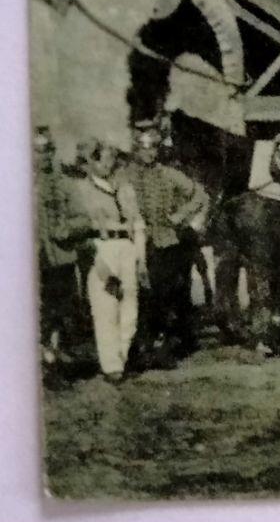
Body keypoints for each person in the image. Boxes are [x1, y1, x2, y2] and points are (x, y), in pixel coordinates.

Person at [126, 119, 206, 364]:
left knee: (163, 294)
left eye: (152, 148)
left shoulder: (168, 174)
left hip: (165, 242)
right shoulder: (126, 175)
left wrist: (180, 216)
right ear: (135, 149)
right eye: (143, 148)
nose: (149, 153)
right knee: (139, 295)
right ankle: (139, 345)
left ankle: (165, 345)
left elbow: (200, 195)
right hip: (134, 243)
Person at [70, 141, 146, 383]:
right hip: (101, 248)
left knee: (130, 309)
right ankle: (112, 366)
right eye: (102, 159)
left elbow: (138, 224)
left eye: (111, 159)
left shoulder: (125, 189)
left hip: (127, 247)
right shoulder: (81, 190)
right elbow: (78, 230)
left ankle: (121, 356)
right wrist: (98, 262)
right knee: (106, 308)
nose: (107, 164)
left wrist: (141, 260)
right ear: (90, 162)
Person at [36, 128, 89, 376]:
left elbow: (84, 219)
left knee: (61, 308)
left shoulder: (65, 183)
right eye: (36, 150)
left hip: (61, 258)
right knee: (38, 311)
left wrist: (68, 229)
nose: (41, 156)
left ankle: (55, 358)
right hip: (33, 260)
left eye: (46, 150)